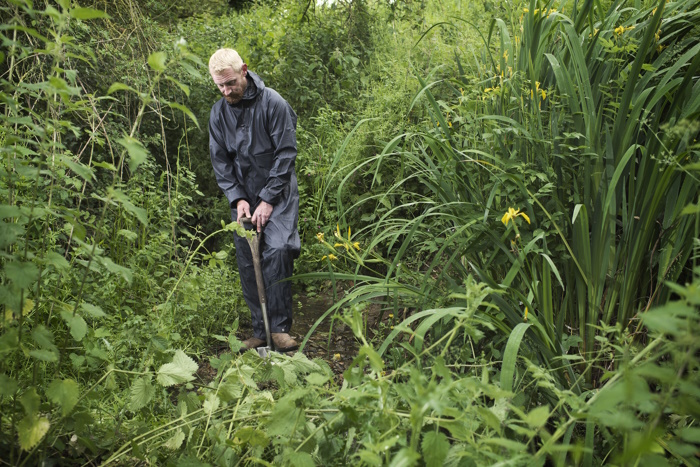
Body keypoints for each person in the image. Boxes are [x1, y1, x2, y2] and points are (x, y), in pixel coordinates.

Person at [208, 48, 300, 352]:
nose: (226, 91)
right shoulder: (218, 113)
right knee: (248, 259)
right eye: (220, 85)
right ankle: (260, 330)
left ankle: (279, 328)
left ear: (244, 70)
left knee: (277, 250)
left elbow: (286, 154)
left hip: (279, 191)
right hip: (245, 196)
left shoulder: (273, 103)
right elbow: (221, 162)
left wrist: (269, 199)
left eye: (231, 83)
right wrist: (237, 199)